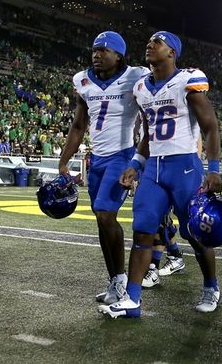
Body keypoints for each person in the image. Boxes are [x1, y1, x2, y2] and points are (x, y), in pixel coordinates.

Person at [99, 30, 222, 318]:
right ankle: (132, 299)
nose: (150, 45)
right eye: (149, 42)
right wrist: (136, 164)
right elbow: (147, 134)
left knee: (195, 233)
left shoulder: (187, 80)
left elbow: (211, 126)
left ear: (172, 52)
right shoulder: (142, 87)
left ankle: (211, 286)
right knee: (142, 231)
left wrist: (213, 169)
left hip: (184, 167)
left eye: (158, 42)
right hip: (153, 168)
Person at [58, 31, 147, 304]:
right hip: (96, 158)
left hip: (122, 155)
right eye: (95, 50)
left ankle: (122, 282)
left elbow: (148, 117)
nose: (97, 54)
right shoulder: (83, 81)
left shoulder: (136, 76)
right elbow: (78, 125)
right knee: (100, 219)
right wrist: (64, 161)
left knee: (106, 214)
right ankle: (114, 280)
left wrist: (141, 160)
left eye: (104, 50)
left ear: (118, 55)